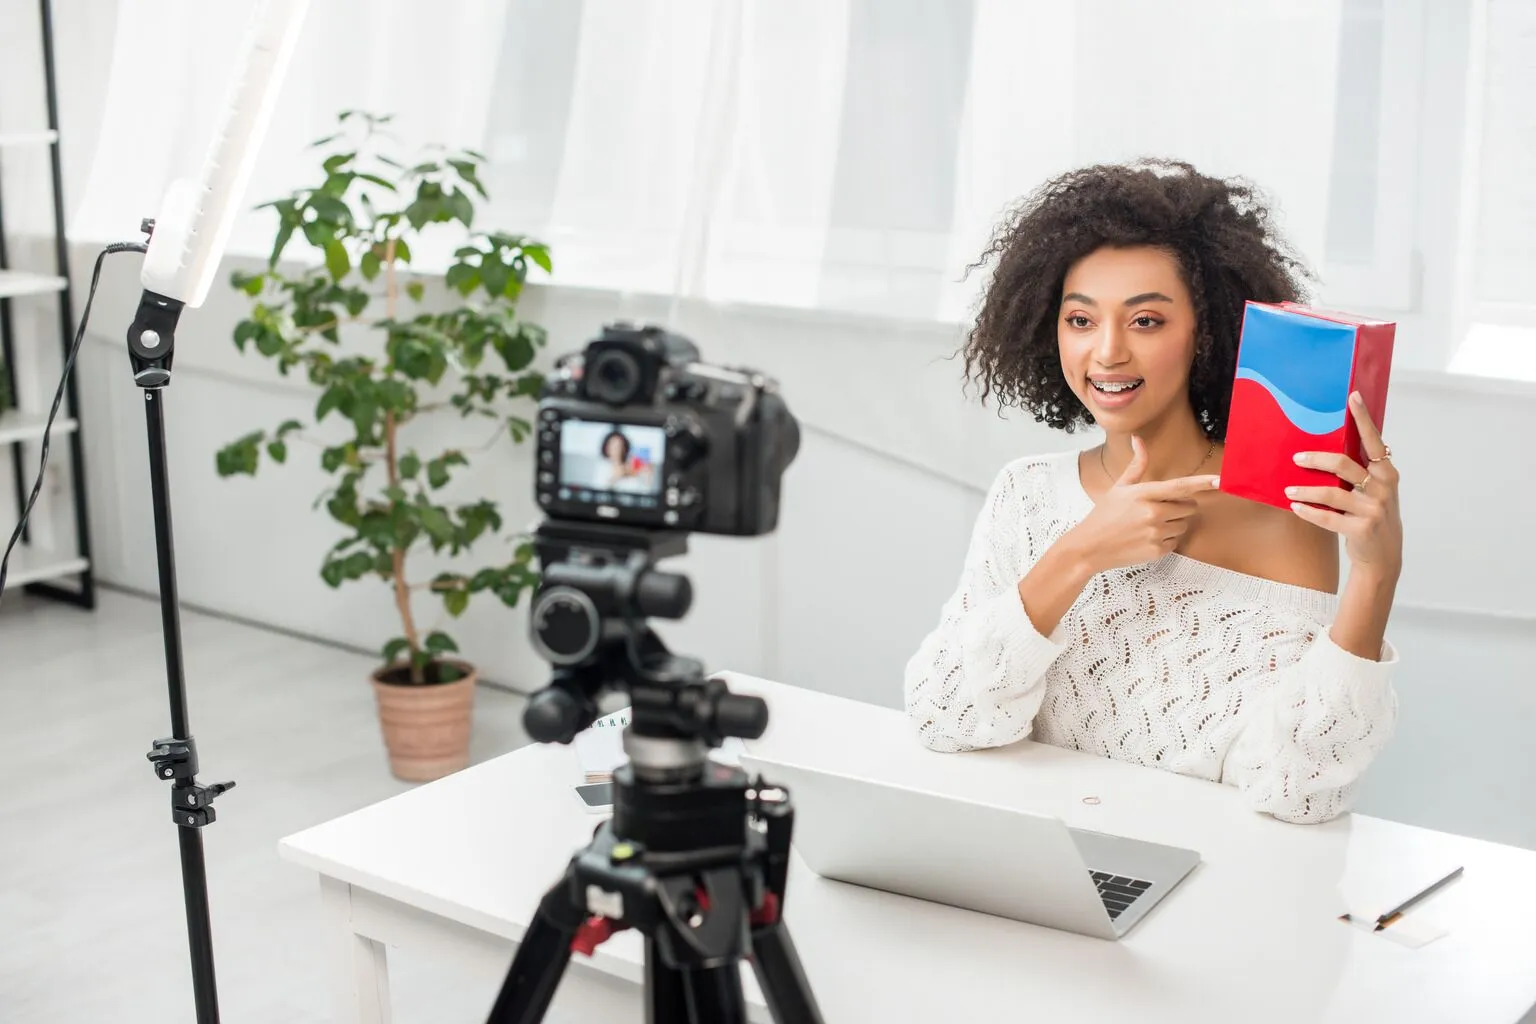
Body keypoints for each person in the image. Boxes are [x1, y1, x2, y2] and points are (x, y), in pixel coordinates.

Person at [903, 159, 1402, 825]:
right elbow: (945, 716)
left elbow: (1294, 790)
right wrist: (1078, 554)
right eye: (1081, 320)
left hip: (1196, 884)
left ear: (1207, 332)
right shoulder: (1027, 494)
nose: (1106, 353)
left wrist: (1376, 574)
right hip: (1028, 863)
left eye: (1145, 322)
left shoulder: (1281, 515)